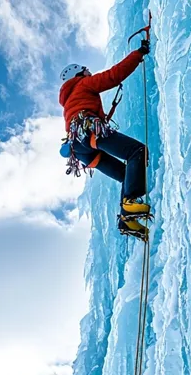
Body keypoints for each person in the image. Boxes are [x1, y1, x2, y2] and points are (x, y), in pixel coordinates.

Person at [58, 39, 151, 240]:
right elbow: (113, 76)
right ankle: (130, 203)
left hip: (81, 149)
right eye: (85, 70)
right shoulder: (83, 84)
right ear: (78, 75)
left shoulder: (68, 102)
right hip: (89, 132)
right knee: (137, 152)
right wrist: (139, 53)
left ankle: (126, 221)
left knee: (127, 174)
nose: (89, 71)